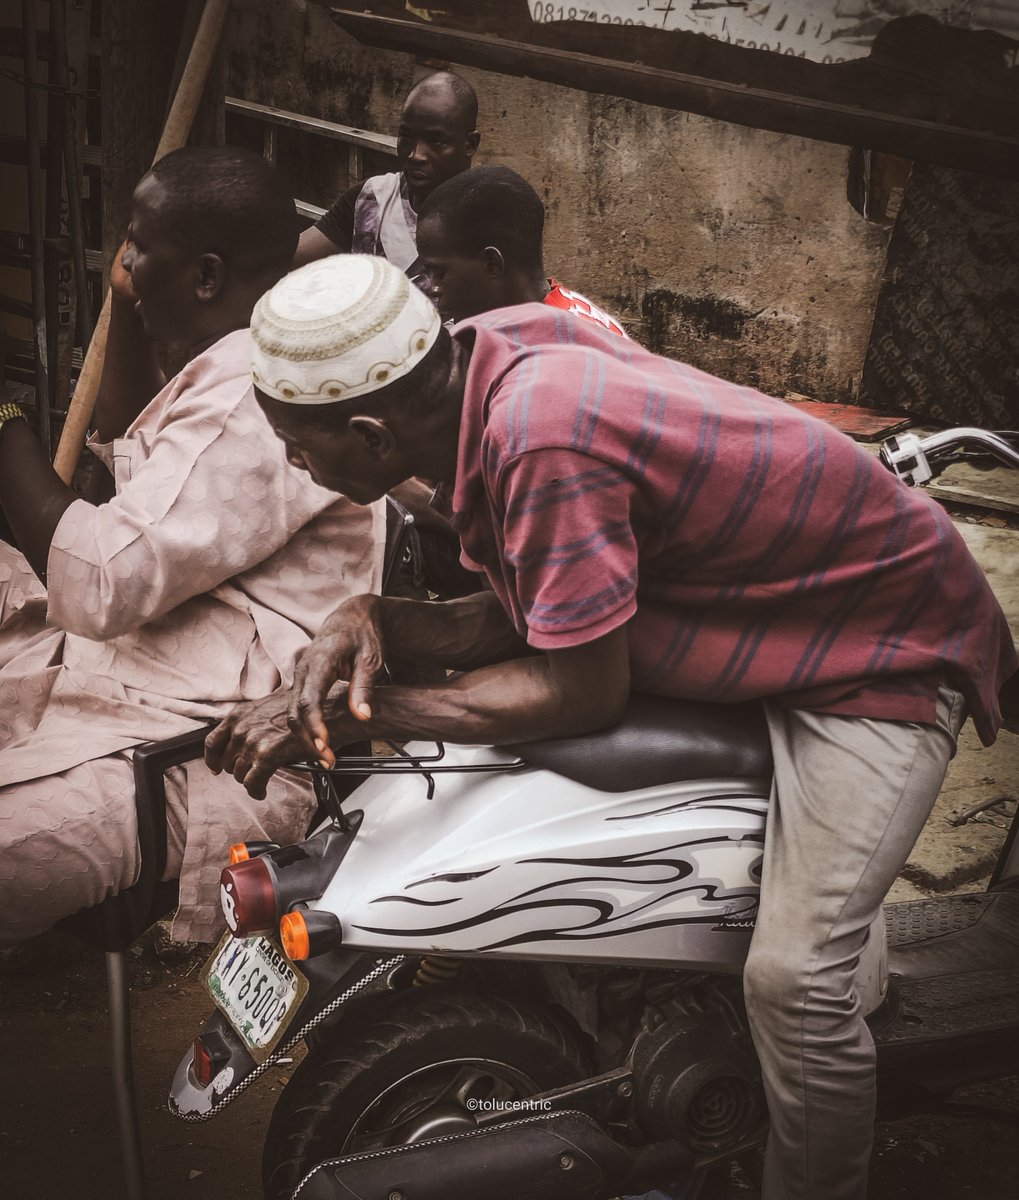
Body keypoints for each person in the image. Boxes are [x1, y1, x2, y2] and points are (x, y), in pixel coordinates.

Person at [207, 254, 1017, 1200]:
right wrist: (368, 618)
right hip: (737, 614)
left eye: (299, 447)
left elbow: (577, 688)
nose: (294, 465)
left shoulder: (541, 442)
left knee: (798, 985)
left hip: (874, 648)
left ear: (371, 433)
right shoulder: (491, 351)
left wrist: (360, 717)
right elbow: (536, 606)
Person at [0, 149, 384, 946]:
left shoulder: (255, 387)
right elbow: (143, 461)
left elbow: (103, 578)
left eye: (138, 248)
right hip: (129, 667)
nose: (127, 266)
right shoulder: (237, 361)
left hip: (199, 745)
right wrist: (129, 303)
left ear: (207, 277)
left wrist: (5, 425)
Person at [293, 69, 480, 288]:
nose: (415, 154)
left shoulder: (489, 218)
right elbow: (288, 260)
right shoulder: (373, 199)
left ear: (470, 145)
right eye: (406, 137)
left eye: (436, 141)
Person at [416, 163, 627, 334]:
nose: (434, 289)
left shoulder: (562, 347)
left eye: (440, 273)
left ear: (492, 264)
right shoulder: (540, 323)